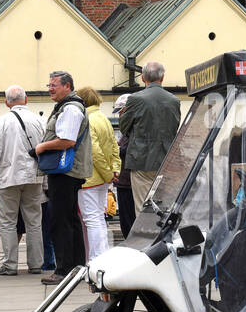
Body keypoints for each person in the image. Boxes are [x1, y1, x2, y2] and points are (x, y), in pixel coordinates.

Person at [33, 70, 92, 282]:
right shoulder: (68, 106)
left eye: (54, 85)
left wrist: (40, 147)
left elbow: (67, 140)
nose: (50, 89)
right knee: (69, 218)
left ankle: (64, 270)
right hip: (67, 171)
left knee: (61, 220)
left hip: (65, 171)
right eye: (49, 85)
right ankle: (76, 267)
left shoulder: (71, 108)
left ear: (67, 86)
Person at [0, 85, 48, 276]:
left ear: (6, 103)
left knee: (7, 222)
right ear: (26, 100)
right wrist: (45, 182)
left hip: (7, 178)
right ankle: (36, 264)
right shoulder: (39, 120)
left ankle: (10, 264)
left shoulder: (2, 122)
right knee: (34, 221)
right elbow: (46, 152)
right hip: (34, 176)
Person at [120, 61, 181, 212]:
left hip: (141, 160)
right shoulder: (174, 100)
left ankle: (145, 235)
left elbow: (124, 127)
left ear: (142, 78)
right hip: (167, 159)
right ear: (162, 78)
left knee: (142, 207)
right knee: (165, 206)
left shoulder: (135, 99)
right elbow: (175, 127)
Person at [77, 86, 120, 260]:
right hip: (103, 179)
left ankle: (96, 258)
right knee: (99, 219)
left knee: (91, 220)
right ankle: (102, 256)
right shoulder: (104, 118)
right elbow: (114, 146)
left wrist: (107, 173)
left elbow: (93, 151)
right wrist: (114, 170)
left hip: (89, 178)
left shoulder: (86, 119)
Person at [112, 93, 136, 238]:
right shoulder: (127, 129)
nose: (120, 116)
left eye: (121, 112)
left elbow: (131, 150)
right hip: (124, 181)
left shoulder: (133, 128)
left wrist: (116, 149)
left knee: (129, 221)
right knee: (126, 221)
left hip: (129, 182)